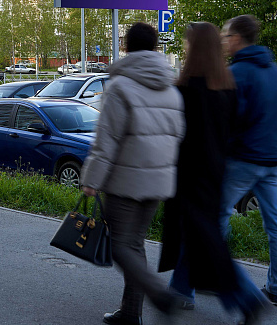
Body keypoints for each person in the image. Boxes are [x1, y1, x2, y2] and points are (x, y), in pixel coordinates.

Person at [159, 22, 268, 324]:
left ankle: (245, 299)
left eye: (185, 44)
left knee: (206, 242)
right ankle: (178, 293)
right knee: (200, 239)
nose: (182, 48)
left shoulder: (185, 89)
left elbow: (175, 135)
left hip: (189, 176)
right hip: (215, 173)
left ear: (195, 48)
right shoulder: (227, 89)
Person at [80, 22, 185, 325]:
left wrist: (90, 181)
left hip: (125, 182)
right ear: (156, 47)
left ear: (125, 46)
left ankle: (159, 295)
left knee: (119, 246)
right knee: (134, 245)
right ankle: (130, 313)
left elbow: (106, 141)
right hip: (159, 182)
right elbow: (178, 136)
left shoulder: (119, 87)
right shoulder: (171, 88)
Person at [219, 14, 277, 307]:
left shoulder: (237, 73)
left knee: (215, 217)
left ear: (237, 39)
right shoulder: (275, 71)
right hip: (274, 159)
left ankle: (221, 281)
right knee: (276, 224)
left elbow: (231, 121)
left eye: (225, 36)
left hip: (244, 160)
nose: (223, 41)